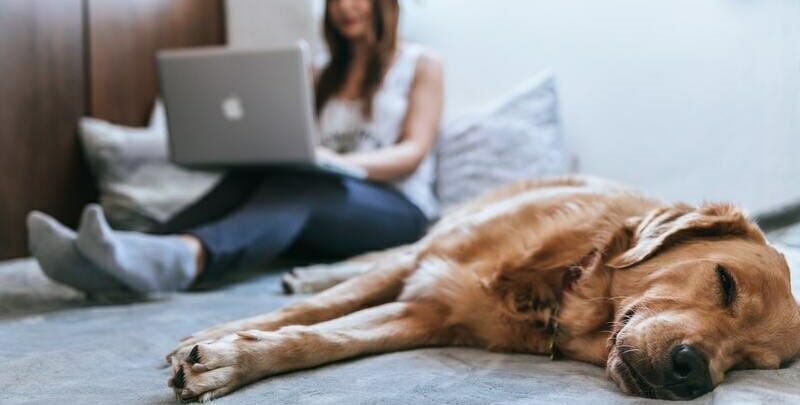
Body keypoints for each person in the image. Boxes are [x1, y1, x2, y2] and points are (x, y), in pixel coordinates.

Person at [26, 0, 443, 294]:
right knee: (267, 173)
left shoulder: (421, 64)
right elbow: (298, 140)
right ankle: (124, 254)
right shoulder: (321, 72)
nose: (345, 7)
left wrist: (339, 162)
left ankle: (187, 257)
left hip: (398, 211)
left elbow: (413, 152)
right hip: (327, 204)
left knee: (304, 186)